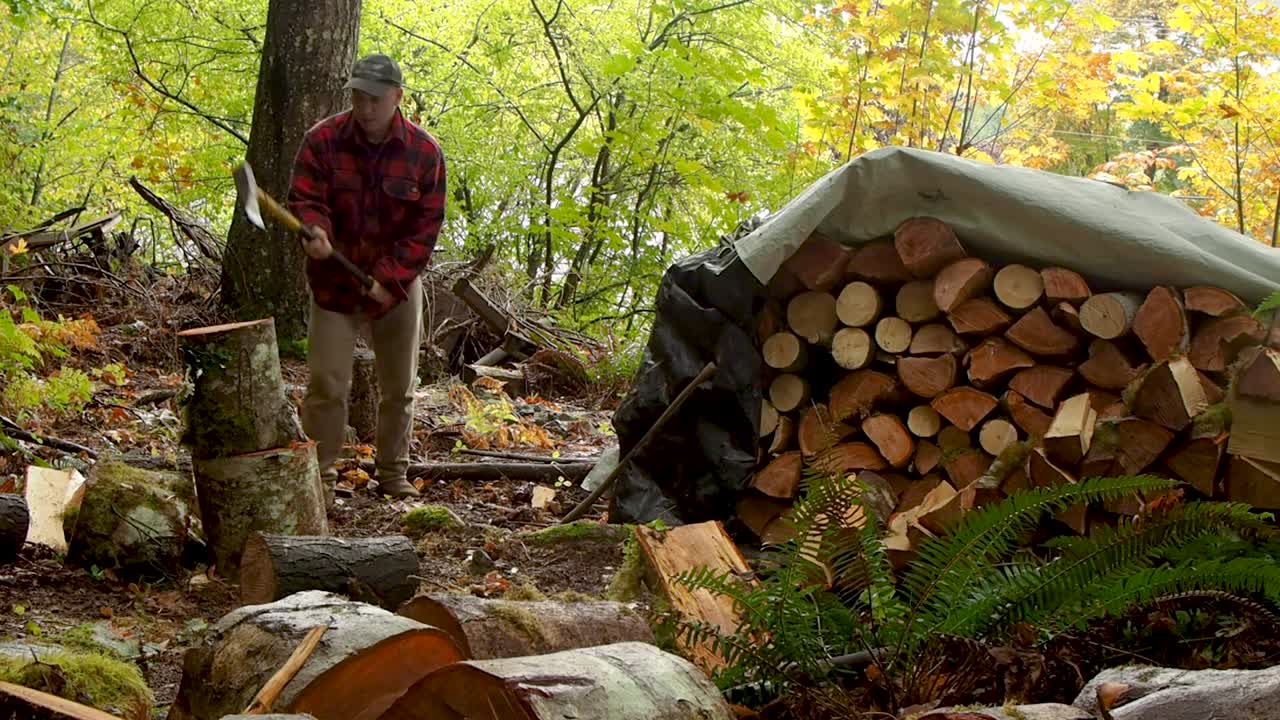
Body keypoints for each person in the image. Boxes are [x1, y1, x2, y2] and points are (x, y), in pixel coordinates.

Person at [287, 52, 447, 499]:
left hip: (395, 289)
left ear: (397, 97)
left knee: (399, 388)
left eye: (376, 98)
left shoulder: (425, 153)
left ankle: (393, 474)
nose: (366, 106)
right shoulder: (321, 140)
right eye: (359, 96)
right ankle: (319, 475)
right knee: (327, 385)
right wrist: (316, 230)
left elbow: (425, 230)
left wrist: (388, 278)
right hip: (333, 286)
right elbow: (305, 197)